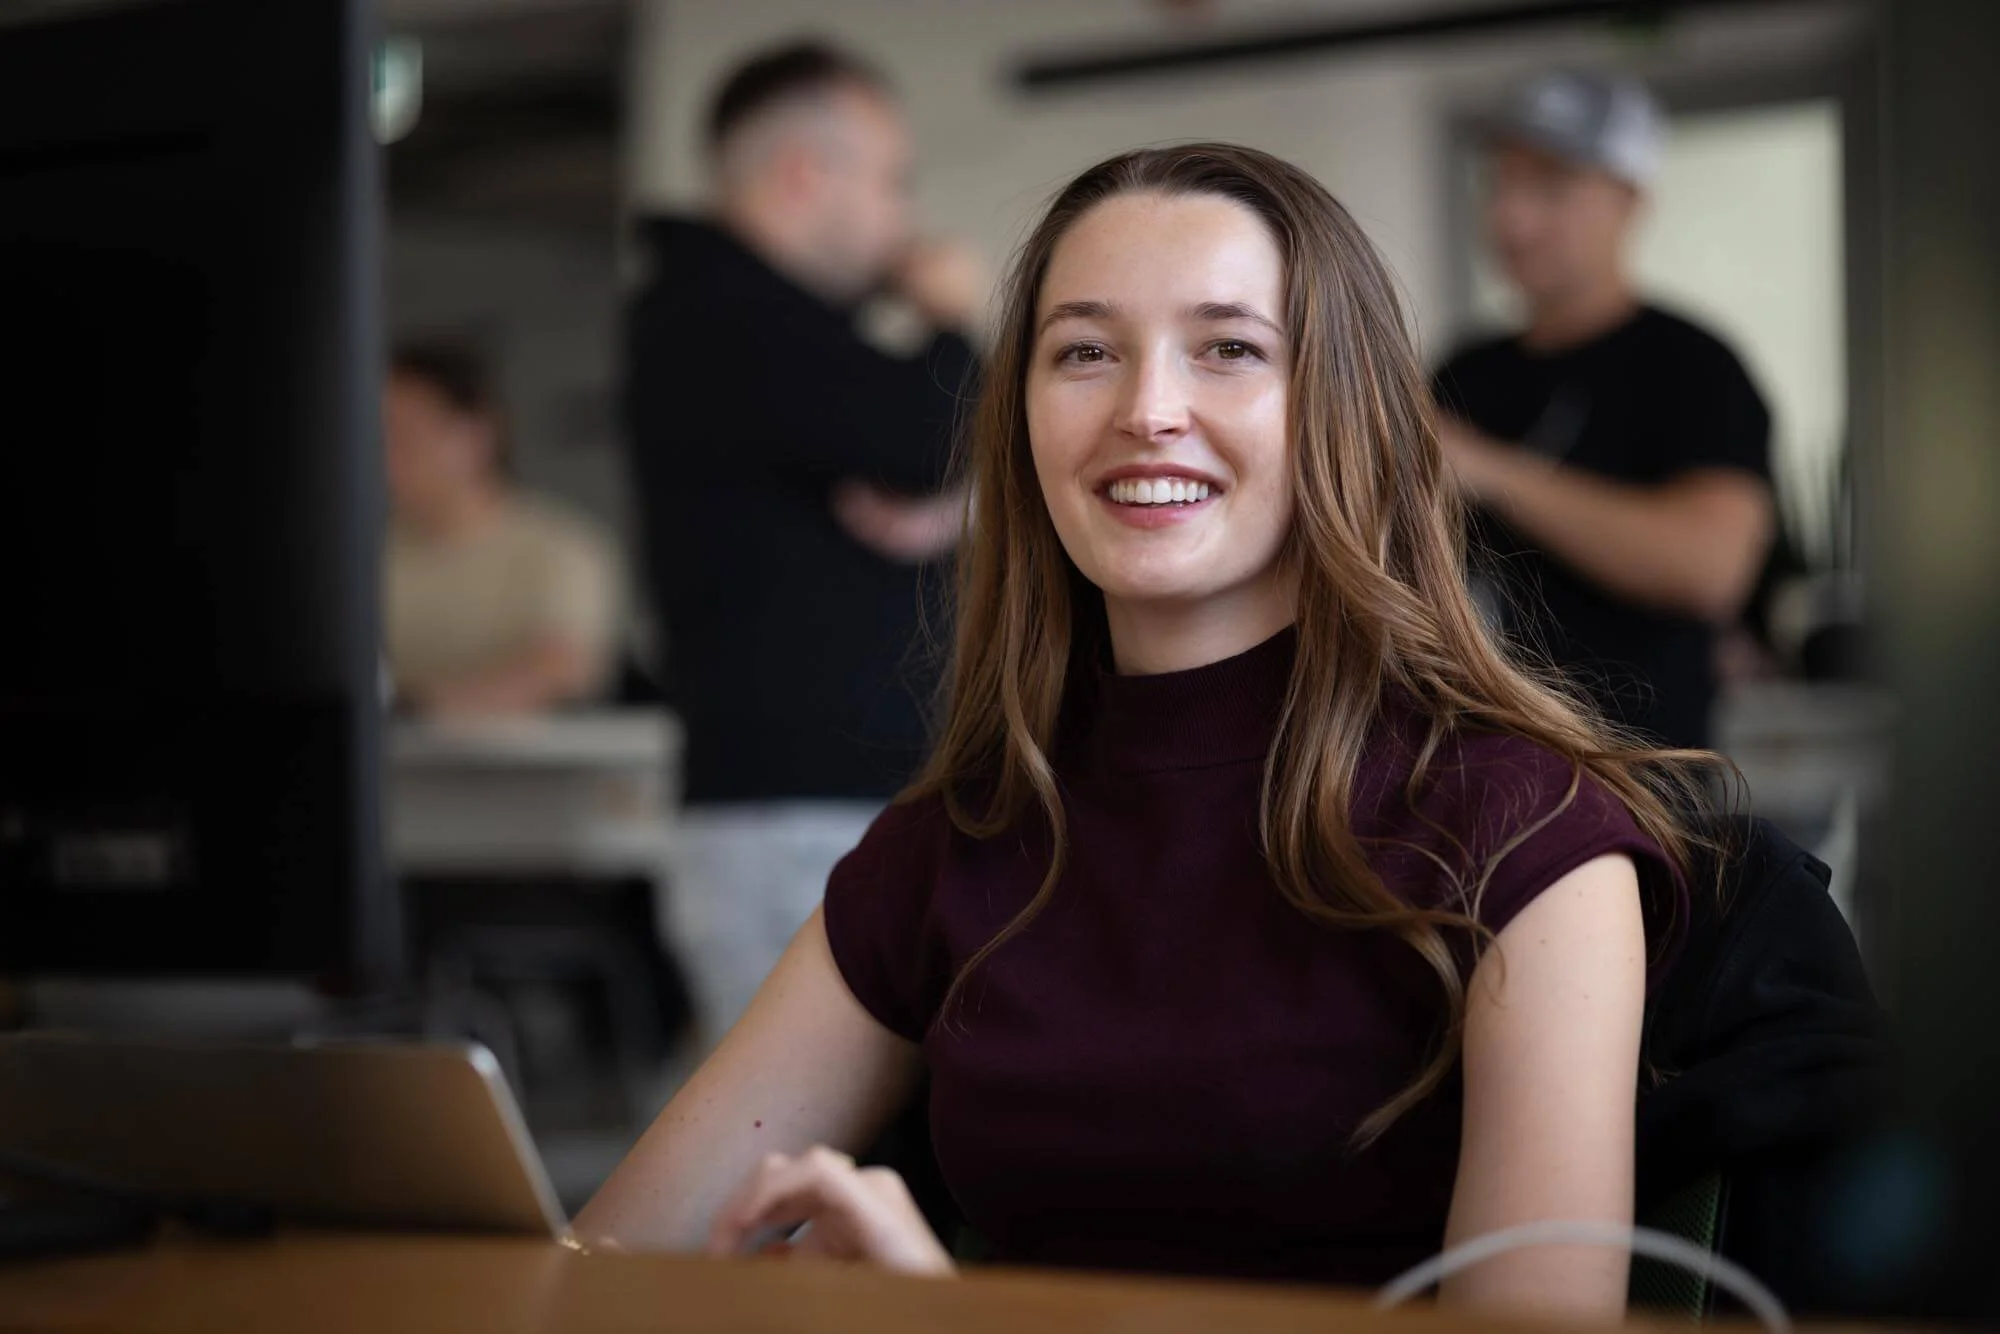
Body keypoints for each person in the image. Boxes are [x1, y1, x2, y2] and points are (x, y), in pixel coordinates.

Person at [578, 142, 1724, 1323]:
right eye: (1083, 352)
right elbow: (597, 1266)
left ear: (1347, 408)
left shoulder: (1524, 831)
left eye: (1227, 348)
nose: (1145, 411)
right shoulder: (955, 839)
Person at [624, 41, 984, 1045]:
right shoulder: (724, 315)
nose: (900, 217)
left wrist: (952, 507)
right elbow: (927, 433)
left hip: (816, 811)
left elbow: (926, 465)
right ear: (801, 174)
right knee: (790, 1172)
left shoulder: (752, 325)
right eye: (889, 180)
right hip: (790, 820)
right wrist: (951, 316)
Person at [1432, 70, 1775, 750]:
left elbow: (1709, 569)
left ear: (1628, 199)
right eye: (1499, 182)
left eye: (1549, 185)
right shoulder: (1461, 374)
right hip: (1477, 770)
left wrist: (1489, 471)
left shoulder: (1695, 367)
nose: (1512, 216)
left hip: (1643, 783)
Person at [382, 342, 620, 718]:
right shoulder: (369, 555)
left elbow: (564, 670)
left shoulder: (557, 547)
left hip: (519, 766)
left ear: (475, 435)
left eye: (405, 436)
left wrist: (424, 708)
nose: (387, 458)